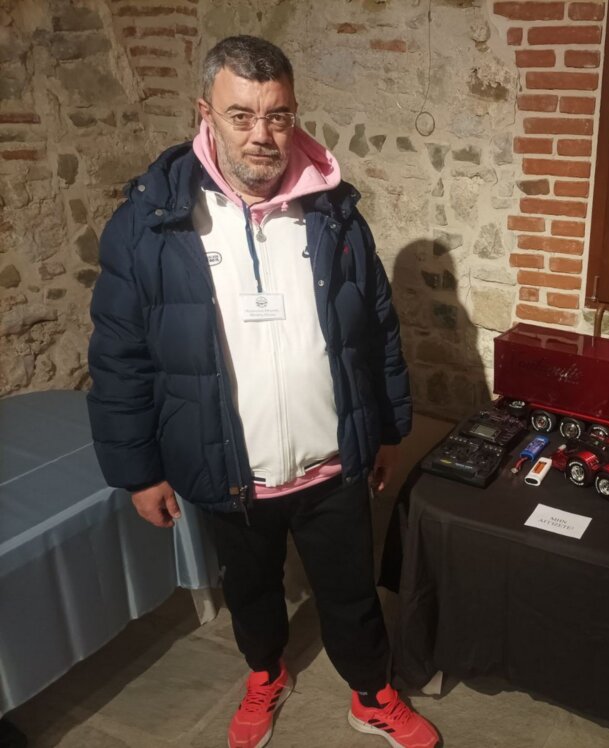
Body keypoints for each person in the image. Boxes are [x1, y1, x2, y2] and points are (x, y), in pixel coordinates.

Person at [87, 35, 439, 748]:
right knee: (249, 588)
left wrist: (388, 428)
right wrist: (139, 471)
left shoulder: (334, 213)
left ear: (293, 113)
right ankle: (266, 673)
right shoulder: (150, 224)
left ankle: (370, 693)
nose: (262, 134)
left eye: (277, 115)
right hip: (227, 465)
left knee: (350, 589)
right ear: (205, 113)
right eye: (241, 115)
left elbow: (375, 328)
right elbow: (119, 356)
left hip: (331, 459)